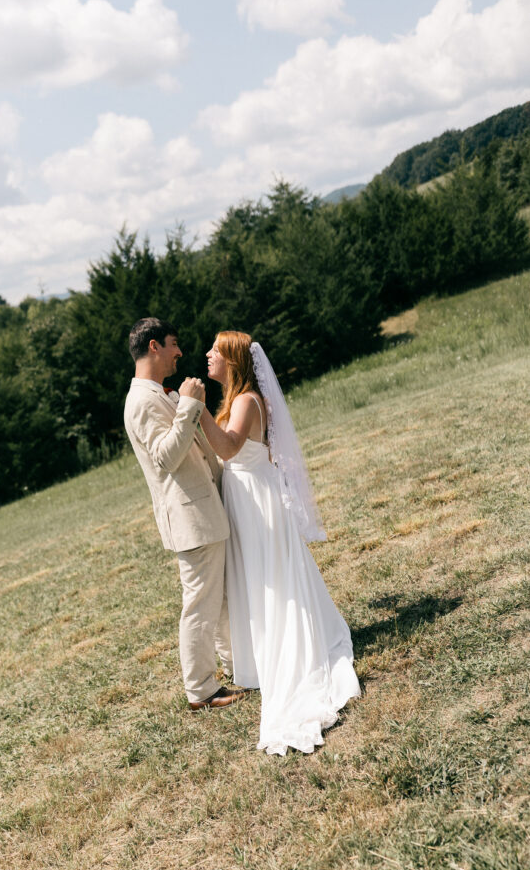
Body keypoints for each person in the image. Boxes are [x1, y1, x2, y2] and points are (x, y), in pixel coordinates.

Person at [199, 330, 361, 754]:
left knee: (270, 576)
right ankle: (262, 653)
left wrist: (194, 411)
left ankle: (288, 654)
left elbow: (232, 447)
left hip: (256, 502)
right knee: (260, 578)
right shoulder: (237, 400)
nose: (207, 355)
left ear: (232, 359)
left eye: (215, 350)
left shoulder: (246, 400)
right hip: (247, 498)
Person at [123, 317, 245, 710]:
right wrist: (191, 404)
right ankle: (201, 690)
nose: (180, 352)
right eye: (174, 344)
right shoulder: (141, 400)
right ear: (155, 346)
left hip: (204, 512)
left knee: (220, 599)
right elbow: (167, 457)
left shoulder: (158, 393)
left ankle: (236, 666)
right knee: (200, 606)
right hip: (190, 518)